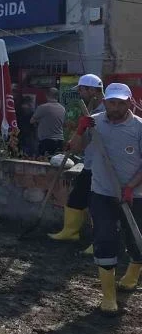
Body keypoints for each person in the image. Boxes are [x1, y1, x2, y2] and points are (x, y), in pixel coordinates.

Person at [69, 82, 142, 316]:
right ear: (105, 101)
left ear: (130, 102)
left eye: (121, 102)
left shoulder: (139, 128)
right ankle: (109, 297)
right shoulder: (95, 122)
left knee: (136, 239)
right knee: (104, 238)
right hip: (101, 192)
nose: (116, 107)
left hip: (135, 195)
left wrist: (130, 187)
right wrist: (80, 131)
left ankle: (132, 274)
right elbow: (72, 148)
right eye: (112, 102)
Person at [49, 74, 105, 251]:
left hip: (104, 168)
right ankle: (70, 231)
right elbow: (81, 144)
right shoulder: (91, 109)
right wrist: (75, 139)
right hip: (90, 164)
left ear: (92, 90)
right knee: (76, 198)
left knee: (99, 206)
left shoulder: (106, 111)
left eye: (81, 90)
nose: (80, 94)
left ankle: (100, 242)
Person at [31, 88, 65, 156]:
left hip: (46, 140)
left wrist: (40, 120)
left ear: (47, 95)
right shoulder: (62, 108)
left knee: (44, 162)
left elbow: (32, 121)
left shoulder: (43, 107)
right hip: (60, 140)